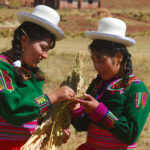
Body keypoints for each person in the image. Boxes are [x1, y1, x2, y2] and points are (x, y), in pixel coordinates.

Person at [0, 5, 76, 150]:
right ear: (24, 40)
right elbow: (14, 110)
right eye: (43, 48)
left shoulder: (32, 74)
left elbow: (33, 113)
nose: (45, 56)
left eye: (47, 51)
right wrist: (52, 97)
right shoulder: (2, 69)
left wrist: (53, 129)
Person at [70, 17, 150, 150]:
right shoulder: (97, 85)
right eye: (93, 60)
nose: (96, 66)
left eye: (101, 60)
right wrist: (76, 109)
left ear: (119, 57)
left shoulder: (136, 89)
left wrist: (99, 111)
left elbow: (130, 134)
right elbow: (84, 126)